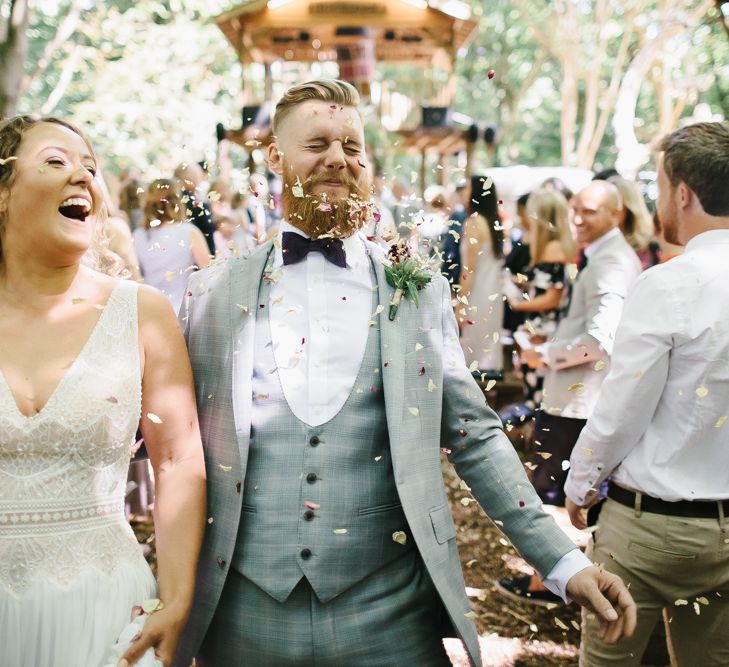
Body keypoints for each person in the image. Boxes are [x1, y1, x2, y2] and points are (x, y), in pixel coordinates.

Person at [174, 79, 636, 667]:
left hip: (390, 614)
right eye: (316, 143)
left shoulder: (416, 293)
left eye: (352, 146)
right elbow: (172, 451)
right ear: (275, 158)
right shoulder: (209, 295)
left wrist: (564, 563)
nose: (338, 158)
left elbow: (475, 436)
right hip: (244, 616)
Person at [0, 115, 206, 666]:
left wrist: (178, 599)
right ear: (3, 191)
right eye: (56, 162)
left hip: (105, 613)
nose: (83, 178)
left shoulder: (142, 313)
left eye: (90, 168)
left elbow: (180, 460)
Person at [565, 122, 729, 666]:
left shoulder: (670, 282)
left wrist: (581, 484)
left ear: (683, 193)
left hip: (648, 529)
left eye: (658, 187)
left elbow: (621, 410)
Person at [498, 181, 642, 604]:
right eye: (574, 208)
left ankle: (550, 585)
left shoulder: (613, 262)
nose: (577, 217)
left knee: (552, 490)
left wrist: (548, 355)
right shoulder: (601, 256)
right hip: (574, 395)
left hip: (580, 399)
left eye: (590, 211)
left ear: (616, 215)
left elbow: (600, 340)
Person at [509, 189, 576, 406]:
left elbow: (552, 298)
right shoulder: (557, 247)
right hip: (547, 328)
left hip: (546, 329)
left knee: (539, 392)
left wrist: (518, 305)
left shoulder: (552, 249)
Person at [133, 178, 210, 313]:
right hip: (183, 310)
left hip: (150, 310)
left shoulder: (138, 235)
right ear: (177, 201)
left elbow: (135, 277)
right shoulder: (189, 232)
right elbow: (209, 274)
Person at [457, 174, 505, 378]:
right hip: (492, 292)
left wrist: (460, 302)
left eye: (467, 187)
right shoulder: (494, 221)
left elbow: (469, 269)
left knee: (471, 354)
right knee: (486, 351)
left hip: (477, 294)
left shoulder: (474, 222)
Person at [608, 176, 661, 269]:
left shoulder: (651, 245)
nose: (609, 211)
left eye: (614, 204)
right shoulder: (597, 244)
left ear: (628, 206)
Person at [173, 161, 216, 255]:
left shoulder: (168, 202)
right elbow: (208, 235)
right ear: (190, 179)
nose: (199, 182)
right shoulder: (199, 205)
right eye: (198, 178)